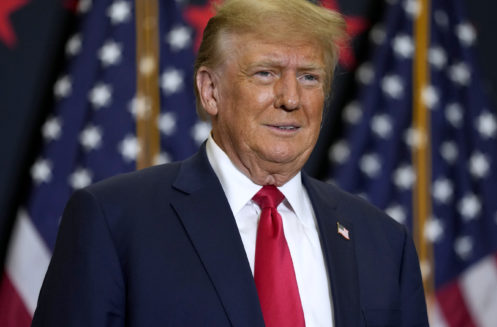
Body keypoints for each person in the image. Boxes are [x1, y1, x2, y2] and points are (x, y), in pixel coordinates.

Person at [32, 0, 429, 326]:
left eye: (309, 77)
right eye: (265, 73)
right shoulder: (114, 221)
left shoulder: (384, 242)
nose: (290, 98)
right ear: (210, 91)